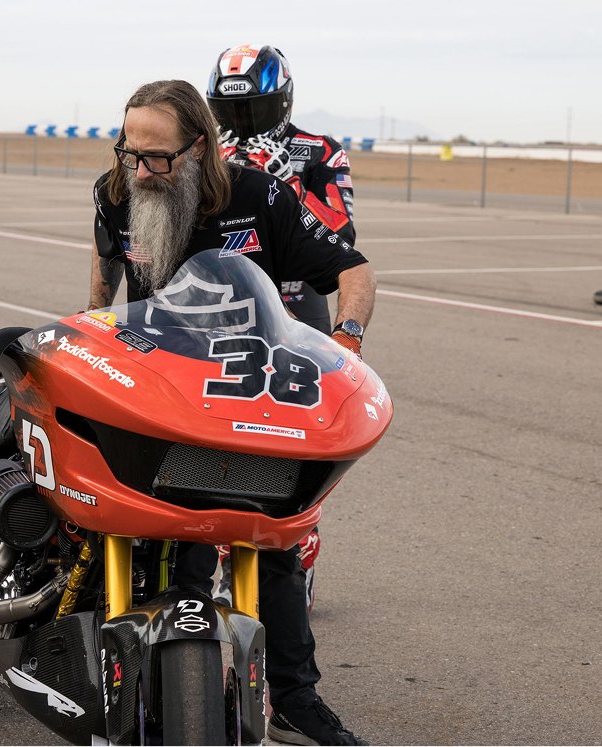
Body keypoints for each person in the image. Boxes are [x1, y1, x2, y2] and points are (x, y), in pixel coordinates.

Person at [88, 80, 374, 746]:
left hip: (250, 398)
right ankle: (160, 689)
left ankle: (295, 699)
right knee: (169, 548)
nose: (140, 170)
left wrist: (347, 341)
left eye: (157, 157)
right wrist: (94, 327)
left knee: (275, 546)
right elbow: (104, 272)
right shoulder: (115, 189)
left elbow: (353, 270)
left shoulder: (261, 195)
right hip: (160, 401)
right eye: (130, 152)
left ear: (200, 146)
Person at [206, 43, 355, 613]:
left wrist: (279, 187)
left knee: (294, 437)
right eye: (231, 111)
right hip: (227, 308)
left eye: (254, 111)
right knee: (221, 431)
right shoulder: (208, 150)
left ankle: (298, 547)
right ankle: (220, 549)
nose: (241, 124)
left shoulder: (319, 152)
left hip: (299, 309)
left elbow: (341, 231)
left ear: (283, 99)